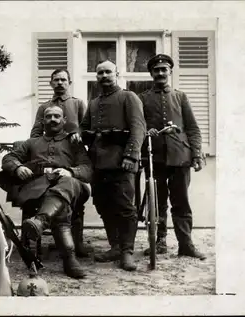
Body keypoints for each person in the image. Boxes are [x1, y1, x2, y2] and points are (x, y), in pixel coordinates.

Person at [2, 105, 93, 279]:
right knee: (60, 205)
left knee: (65, 183)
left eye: (57, 116)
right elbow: (8, 158)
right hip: (39, 188)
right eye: (49, 116)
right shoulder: (31, 143)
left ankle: (40, 221)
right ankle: (69, 259)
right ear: (43, 121)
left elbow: (88, 169)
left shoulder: (73, 143)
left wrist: (72, 172)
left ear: (64, 120)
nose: (52, 119)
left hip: (73, 186)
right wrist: (18, 167)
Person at [79, 59, 146, 271]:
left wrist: (131, 156)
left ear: (116, 74)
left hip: (121, 163)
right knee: (103, 205)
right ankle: (115, 246)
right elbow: (85, 129)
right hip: (99, 164)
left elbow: (138, 128)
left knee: (125, 207)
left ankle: (127, 252)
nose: (104, 76)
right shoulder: (94, 103)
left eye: (108, 72)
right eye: (100, 73)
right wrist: (81, 137)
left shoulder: (128, 97)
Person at [138, 54, 206, 260]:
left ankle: (186, 244)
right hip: (154, 156)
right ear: (151, 73)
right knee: (157, 202)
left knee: (181, 201)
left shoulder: (180, 96)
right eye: (156, 70)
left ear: (170, 72)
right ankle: (159, 243)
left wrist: (196, 154)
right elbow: (137, 126)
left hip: (180, 156)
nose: (160, 73)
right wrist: (146, 131)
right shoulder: (142, 98)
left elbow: (193, 128)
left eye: (164, 69)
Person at [29, 69, 90, 257]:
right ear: (50, 83)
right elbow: (36, 134)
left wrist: (79, 138)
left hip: (72, 157)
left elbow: (86, 130)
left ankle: (77, 242)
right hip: (49, 163)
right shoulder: (44, 107)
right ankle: (61, 239)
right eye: (56, 80)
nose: (60, 83)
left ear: (69, 82)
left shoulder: (78, 104)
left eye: (63, 80)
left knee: (76, 203)